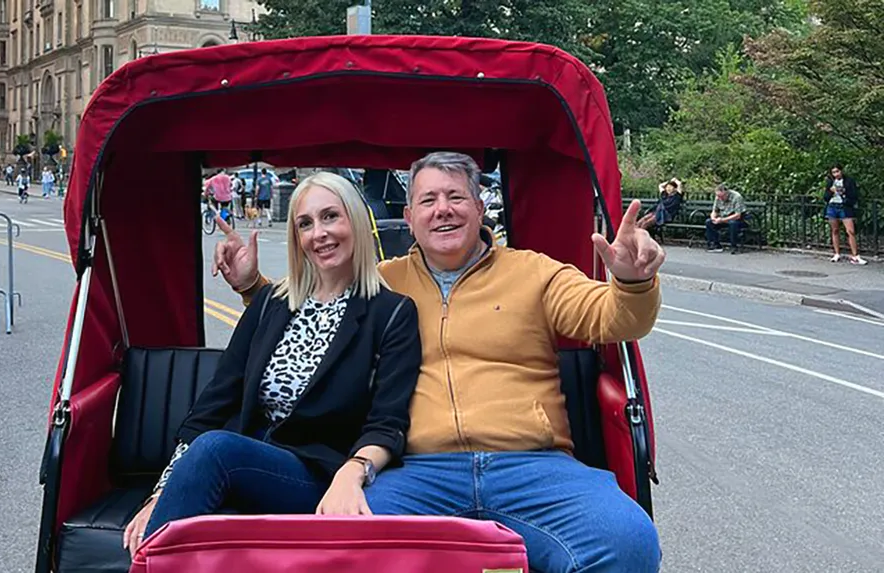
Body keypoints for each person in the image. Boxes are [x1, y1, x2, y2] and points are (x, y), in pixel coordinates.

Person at [214, 152, 665, 573]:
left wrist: (631, 281)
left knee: (627, 541)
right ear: (410, 218)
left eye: (455, 196)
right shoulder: (382, 281)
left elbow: (611, 318)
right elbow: (308, 307)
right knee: (339, 544)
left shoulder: (535, 272)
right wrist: (252, 285)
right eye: (427, 200)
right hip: (417, 470)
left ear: (480, 206)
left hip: (532, 465)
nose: (442, 209)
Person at [122, 172, 421, 557]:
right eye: (305, 223)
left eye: (331, 216)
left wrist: (354, 471)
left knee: (216, 451)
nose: (319, 234)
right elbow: (214, 404)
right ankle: (157, 555)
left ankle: (151, 560)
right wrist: (161, 493)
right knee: (212, 450)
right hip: (247, 457)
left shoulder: (392, 313)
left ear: (357, 222)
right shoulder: (272, 303)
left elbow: (388, 423)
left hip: (318, 473)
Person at [824, 165, 867, 265]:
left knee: (850, 231)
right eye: (834, 172)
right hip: (832, 206)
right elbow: (825, 197)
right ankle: (836, 253)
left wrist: (842, 193)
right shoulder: (830, 182)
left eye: (837, 171)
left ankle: (855, 255)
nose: (836, 174)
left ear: (841, 171)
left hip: (844, 207)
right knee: (835, 230)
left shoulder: (849, 181)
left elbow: (853, 195)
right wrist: (831, 191)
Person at [705, 183, 745, 254]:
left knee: (733, 224)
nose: (720, 198)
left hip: (736, 219)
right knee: (709, 222)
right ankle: (715, 245)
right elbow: (715, 210)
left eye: (722, 196)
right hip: (722, 217)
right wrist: (713, 217)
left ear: (726, 193)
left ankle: (734, 246)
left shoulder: (737, 197)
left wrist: (722, 220)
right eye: (718, 196)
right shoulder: (718, 197)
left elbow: (738, 215)